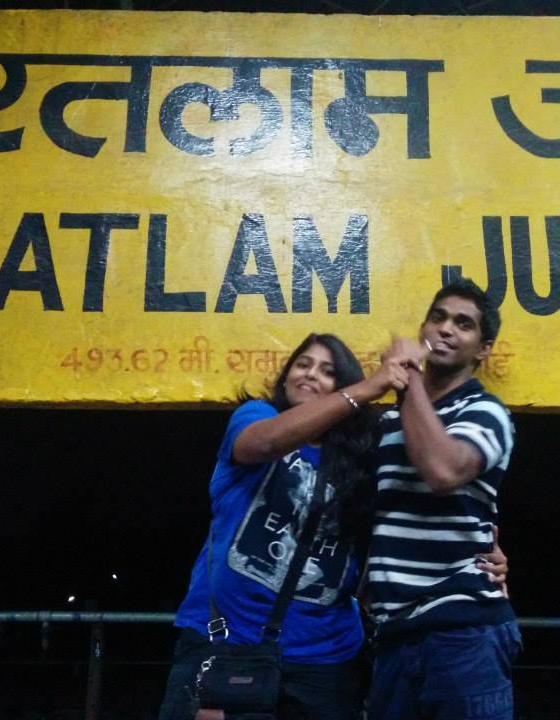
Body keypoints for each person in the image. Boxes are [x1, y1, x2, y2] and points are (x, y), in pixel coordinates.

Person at [157, 332, 510, 720]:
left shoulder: (365, 457)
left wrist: (478, 557)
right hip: (225, 643)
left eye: (327, 372)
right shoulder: (256, 417)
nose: (310, 375)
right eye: (303, 364)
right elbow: (266, 443)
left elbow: (414, 511)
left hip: (326, 662)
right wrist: (372, 386)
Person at [365, 279, 521, 720]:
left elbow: (444, 471)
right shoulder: (391, 420)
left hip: (463, 631)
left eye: (463, 324)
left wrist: (408, 377)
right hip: (393, 633)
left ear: (482, 349)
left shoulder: (487, 412)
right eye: (438, 317)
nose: (446, 329)